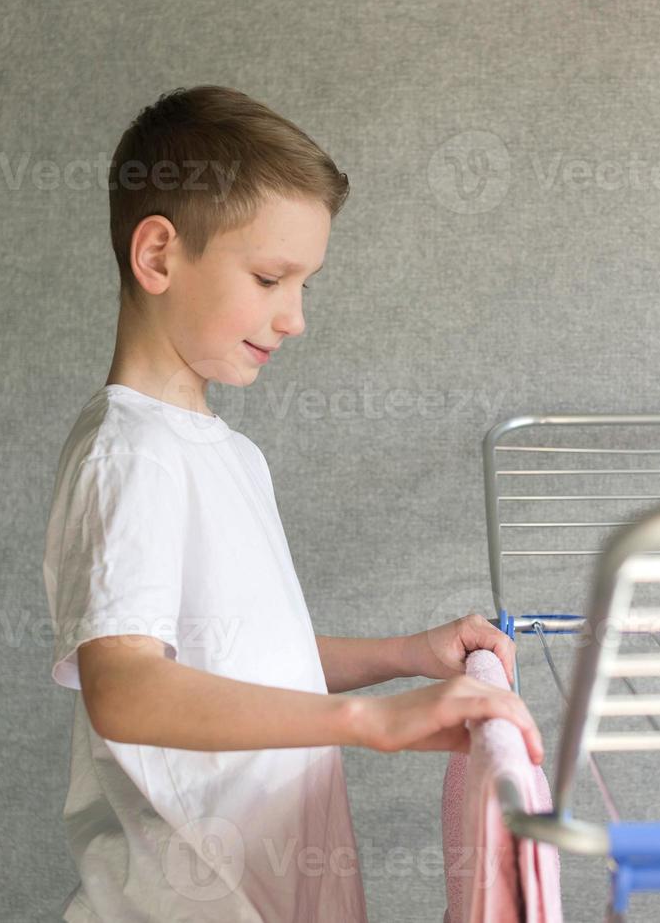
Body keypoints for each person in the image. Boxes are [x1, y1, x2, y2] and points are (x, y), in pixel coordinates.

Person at [41, 85, 543, 922]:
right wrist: (368, 721)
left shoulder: (225, 451)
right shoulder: (130, 455)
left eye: (304, 284)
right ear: (159, 256)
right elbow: (124, 685)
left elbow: (237, 649)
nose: (295, 318)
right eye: (271, 277)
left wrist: (403, 653)